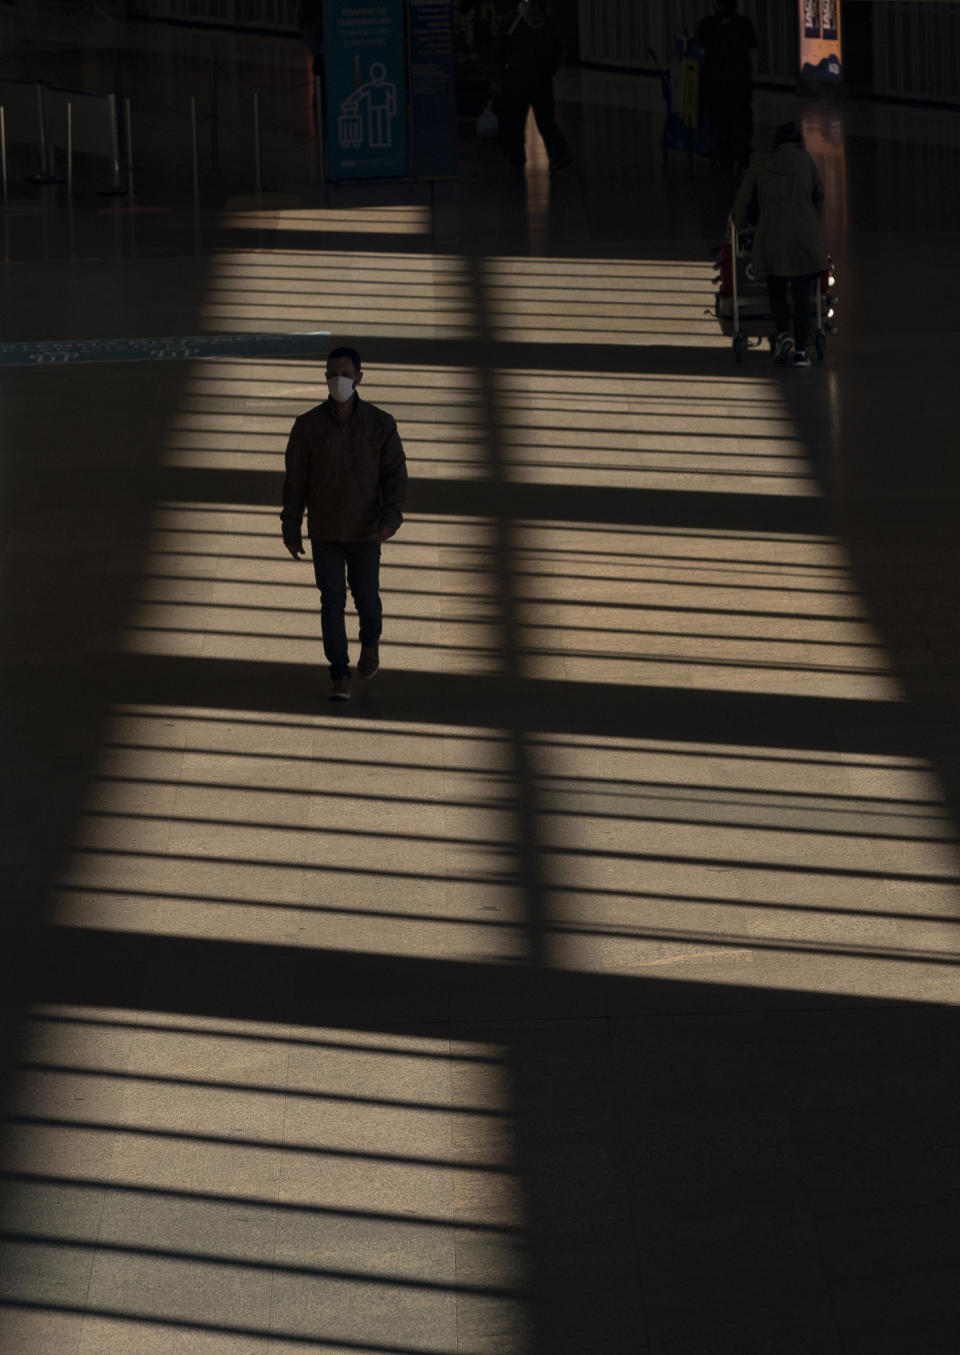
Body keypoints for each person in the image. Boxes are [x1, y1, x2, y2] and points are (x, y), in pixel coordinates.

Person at [280, 346, 408, 700]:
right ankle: (339, 672)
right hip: (325, 531)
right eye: (333, 373)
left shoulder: (380, 424)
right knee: (331, 602)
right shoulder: (307, 427)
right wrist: (290, 525)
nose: (339, 379)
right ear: (325, 377)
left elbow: (396, 475)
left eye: (346, 374)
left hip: (366, 531)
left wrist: (390, 518)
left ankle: (370, 642)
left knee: (367, 597)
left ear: (359, 378)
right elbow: (295, 482)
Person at [733, 120, 828, 368]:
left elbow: (743, 201)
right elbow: (819, 196)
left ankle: (783, 334)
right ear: (798, 141)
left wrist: (739, 222)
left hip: (772, 236)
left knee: (776, 288)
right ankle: (800, 353)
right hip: (805, 237)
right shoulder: (806, 160)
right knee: (802, 294)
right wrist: (812, 221)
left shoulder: (760, 163)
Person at [495, 0, 573, 174]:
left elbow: (500, 50)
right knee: (543, 119)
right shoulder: (547, 24)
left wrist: (501, 74)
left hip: (519, 79)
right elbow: (557, 51)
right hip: (536, 80)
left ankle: (517, 158)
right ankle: (557, 154)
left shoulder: (514, 22)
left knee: (518, 120)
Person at [696, 0, 757, 173]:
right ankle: (741, 152)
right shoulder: (743, 24)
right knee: (740, 117)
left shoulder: (708, 24)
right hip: (739, 83)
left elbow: (700, 44)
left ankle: (724, 154)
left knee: (720, 119)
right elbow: (752, 44)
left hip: (717, 83)